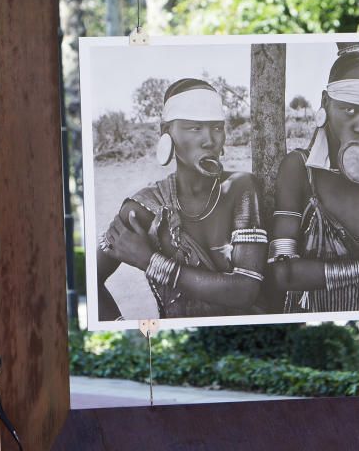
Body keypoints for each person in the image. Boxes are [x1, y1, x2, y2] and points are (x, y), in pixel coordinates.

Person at [96, 78, 268, 320]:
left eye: (217, 127)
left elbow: (244, 290)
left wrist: (149, 260)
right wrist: (123, 332)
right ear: (166, 132)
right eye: (195, 128)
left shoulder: (240, 188)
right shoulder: (144, 208)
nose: (210, 140)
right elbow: (87, 281)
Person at [268, 43, 359, 313]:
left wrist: (357, 52)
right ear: (325, 102)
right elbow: (282, 273)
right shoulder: (299, 169)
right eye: (349, 110)